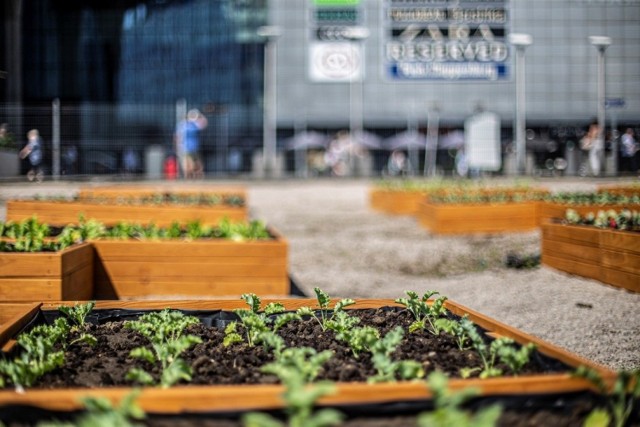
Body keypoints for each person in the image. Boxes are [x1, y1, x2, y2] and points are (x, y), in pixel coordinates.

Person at [175, 108, 208, 179]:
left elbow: (204, 123)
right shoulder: (183, 124)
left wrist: (200, 116)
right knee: (187, 164)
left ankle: (196, 175)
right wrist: (178, 146)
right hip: (185, 147)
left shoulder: (195, 124)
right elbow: (178, 136)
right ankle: (188, 176)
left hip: (194, 147)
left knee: (197, 163)